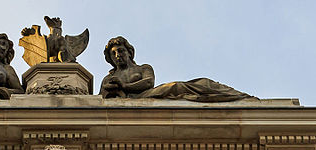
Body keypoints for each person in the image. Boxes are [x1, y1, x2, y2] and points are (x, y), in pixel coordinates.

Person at [100, 36, 247, 103]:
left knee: (197, 83)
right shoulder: (109, 78)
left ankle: (232, 94)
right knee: (176, 86)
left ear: (129, 52)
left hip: (146, 94)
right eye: (113, 54)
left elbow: (149, 83)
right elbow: (101, 100)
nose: (117, 55)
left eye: (120, 50)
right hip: (132, 100)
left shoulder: (144, 68)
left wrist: (124, 85)